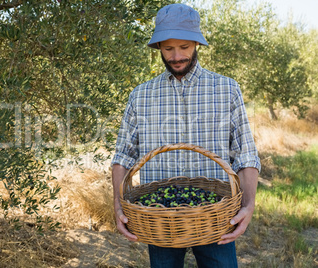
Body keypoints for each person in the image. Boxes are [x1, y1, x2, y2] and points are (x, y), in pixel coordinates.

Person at [111, 3, 261, 268]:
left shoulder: (226, 89)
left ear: (196, 44)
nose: (176, 55)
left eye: (184, 47)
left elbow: (245, 154)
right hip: (159, 219)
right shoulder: (141, 95)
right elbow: (123, 156)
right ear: (158, 48)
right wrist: (118, 205)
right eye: (168, 48)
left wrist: (247, 206)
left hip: (217, 216)